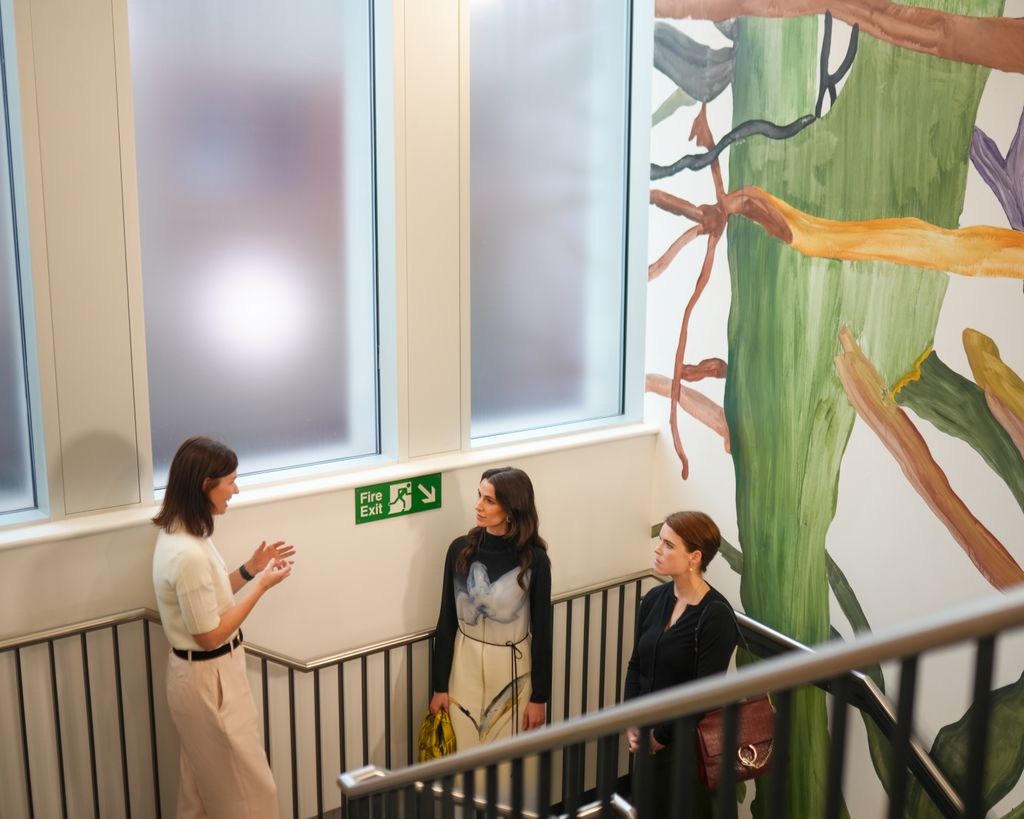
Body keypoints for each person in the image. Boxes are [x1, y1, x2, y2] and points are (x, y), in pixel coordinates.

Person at [152, 436, 295, 819]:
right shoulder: (188, 554)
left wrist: (250, 569)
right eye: (229, 481)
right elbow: (210, 633)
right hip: (209, 677)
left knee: (199, 793)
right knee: (250, 794)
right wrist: (262, 585)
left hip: (199, 675)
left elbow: (207, 602)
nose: (235, 489)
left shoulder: (182, 534)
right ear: (205, 485)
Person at [429, 466, 552, 750]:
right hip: (464, 664)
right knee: (463, 751)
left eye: (489, 500)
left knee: (509, 757)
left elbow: (543, 631)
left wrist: (539, 697)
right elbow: (446, 620)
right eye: (479, 495)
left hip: (513, 669)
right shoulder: (459, 550)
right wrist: (439, 687)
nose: (478, 506)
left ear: (511, 509)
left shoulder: (535, 561)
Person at [624, 510, 738, 816]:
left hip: (688, 749)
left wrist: (659, 738)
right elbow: (636, 664)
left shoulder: (716, 615)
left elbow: (704, 693)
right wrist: (631, 718)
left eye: (669, 545)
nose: (658, 550)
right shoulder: (655, 598)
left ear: (694, 557)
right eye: (660, 541)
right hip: (649, 738)